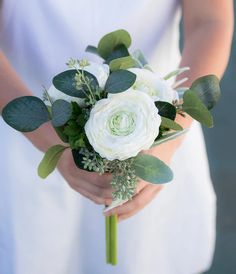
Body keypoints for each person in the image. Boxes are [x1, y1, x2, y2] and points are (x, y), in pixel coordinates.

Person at [0, 0, 233, 273]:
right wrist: (57, 146)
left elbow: (210, 19)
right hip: (29, 138)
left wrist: (169, 135)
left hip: (156, 132)